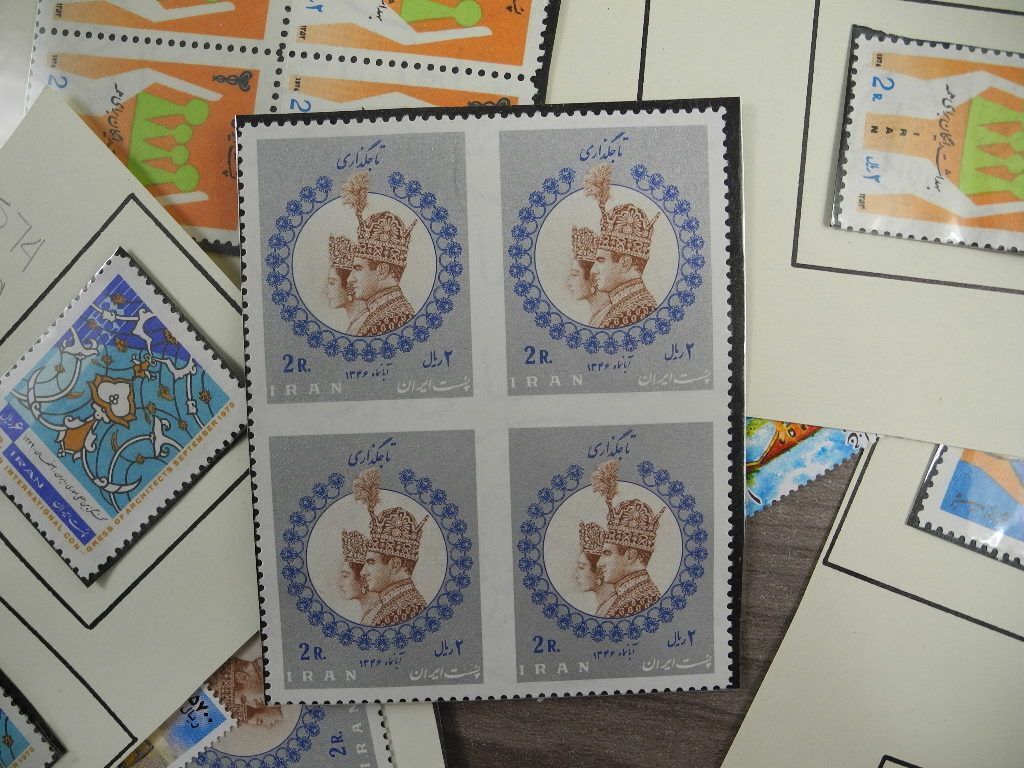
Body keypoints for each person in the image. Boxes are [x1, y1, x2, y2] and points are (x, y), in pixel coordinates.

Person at [580, 163, 660, 329]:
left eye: (601, 260)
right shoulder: (625, 307)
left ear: (625, 263)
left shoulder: (631, 312)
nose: (593, 270)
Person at [339, 171, 417, 337]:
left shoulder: (390, 319)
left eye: (358, 268)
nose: (350, 279)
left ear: (382, 270)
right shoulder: (386, 314)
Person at [352, 468, 428, 626]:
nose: (363, 572)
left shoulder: (400, 612)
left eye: (371, 562)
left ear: (395, 564)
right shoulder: (399, 605)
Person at [590, 459, 663, 618]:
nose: (599, 563)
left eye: (607, 553)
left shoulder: (635, 602)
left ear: (630, 555)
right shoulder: (633, 596)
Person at [565, 226, 610, 326]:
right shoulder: (599, 315)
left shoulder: (609, 316)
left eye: (574, 275)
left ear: (593, 279)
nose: (568, 283)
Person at [323, 233, 367, 333]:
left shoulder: (364, 324)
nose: (326, 291)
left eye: (332, 283)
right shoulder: (356, 323)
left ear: (350, 286)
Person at [575, 520, 616, 616]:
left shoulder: (614, 606)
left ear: (600, 571)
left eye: (581, 567)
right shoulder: (605, 605)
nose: (576, 575)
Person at [339, 529, 380, 623]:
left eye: (345, 576)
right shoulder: (369, 614)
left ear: (363, 578)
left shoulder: (377, 614)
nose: (341, 584)